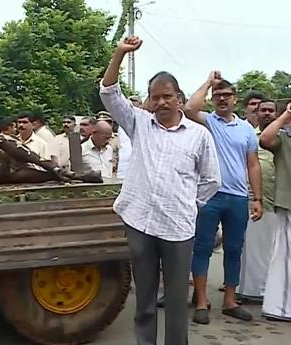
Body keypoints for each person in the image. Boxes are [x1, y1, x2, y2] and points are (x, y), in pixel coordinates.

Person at [100, 36, 220, 345]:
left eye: (167, 96)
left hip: (178, 228)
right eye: (155, 97)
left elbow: (210, 180)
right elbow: (109, 94)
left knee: (177, 300)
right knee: (145, 299)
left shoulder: (199, 136)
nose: (161, 102)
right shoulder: (139, 123)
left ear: (179, 97)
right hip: (140, 223)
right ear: (149, 100)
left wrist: (188, 205)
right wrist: (119, 53)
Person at [185, 71, 263, 324]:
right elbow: (189, 108)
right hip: (209, 195)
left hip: (238, 197)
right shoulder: (209, 122)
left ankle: (230, 301)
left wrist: (257, 198)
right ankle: (200, 301)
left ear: (234, 98)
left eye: (226, 95)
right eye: (217, 96)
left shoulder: (246, 130)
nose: (221, 99)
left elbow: (253, 164)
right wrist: (208, 81)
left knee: (233, 249)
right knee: (202, 248)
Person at [236, 99, 279, 304]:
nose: (268, 114)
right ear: (257, 113)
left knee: (274, 251)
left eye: (271, 110)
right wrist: (255, 197)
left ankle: (272, 291)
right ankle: (251, 291)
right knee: (252, 249)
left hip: (279, 202)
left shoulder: (282, 138)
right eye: (264, 110)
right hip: (255, 201)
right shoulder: (250, 137)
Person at [260, 103, 291, 322]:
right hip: (288, 205)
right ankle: (279, 308)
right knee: (284, 259)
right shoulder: (284, 139)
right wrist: (286, 115)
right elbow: (264, 139)